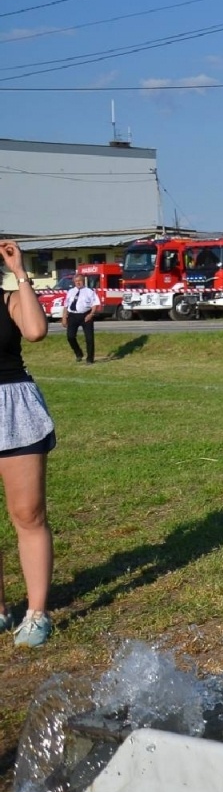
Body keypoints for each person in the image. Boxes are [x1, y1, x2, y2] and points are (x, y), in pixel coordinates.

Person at [0, 241, 57, 647]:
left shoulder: (9, 300)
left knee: (28, 513)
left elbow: (35, 331)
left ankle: (36, 614)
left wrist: (20, 272)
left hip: (14, 408)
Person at [63, 273, 101, 365]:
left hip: (86, 315)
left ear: (83, 281)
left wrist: (91, 314)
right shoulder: (71, 291)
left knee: (89, 338)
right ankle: (78, 353)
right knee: (70, 337)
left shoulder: (89, 291)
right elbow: (66, 305)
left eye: (79, 281)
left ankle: (90, 359)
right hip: (73, 315)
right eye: (76, 281)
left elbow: (95, 304)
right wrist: (64, 317)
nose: (78, 283)